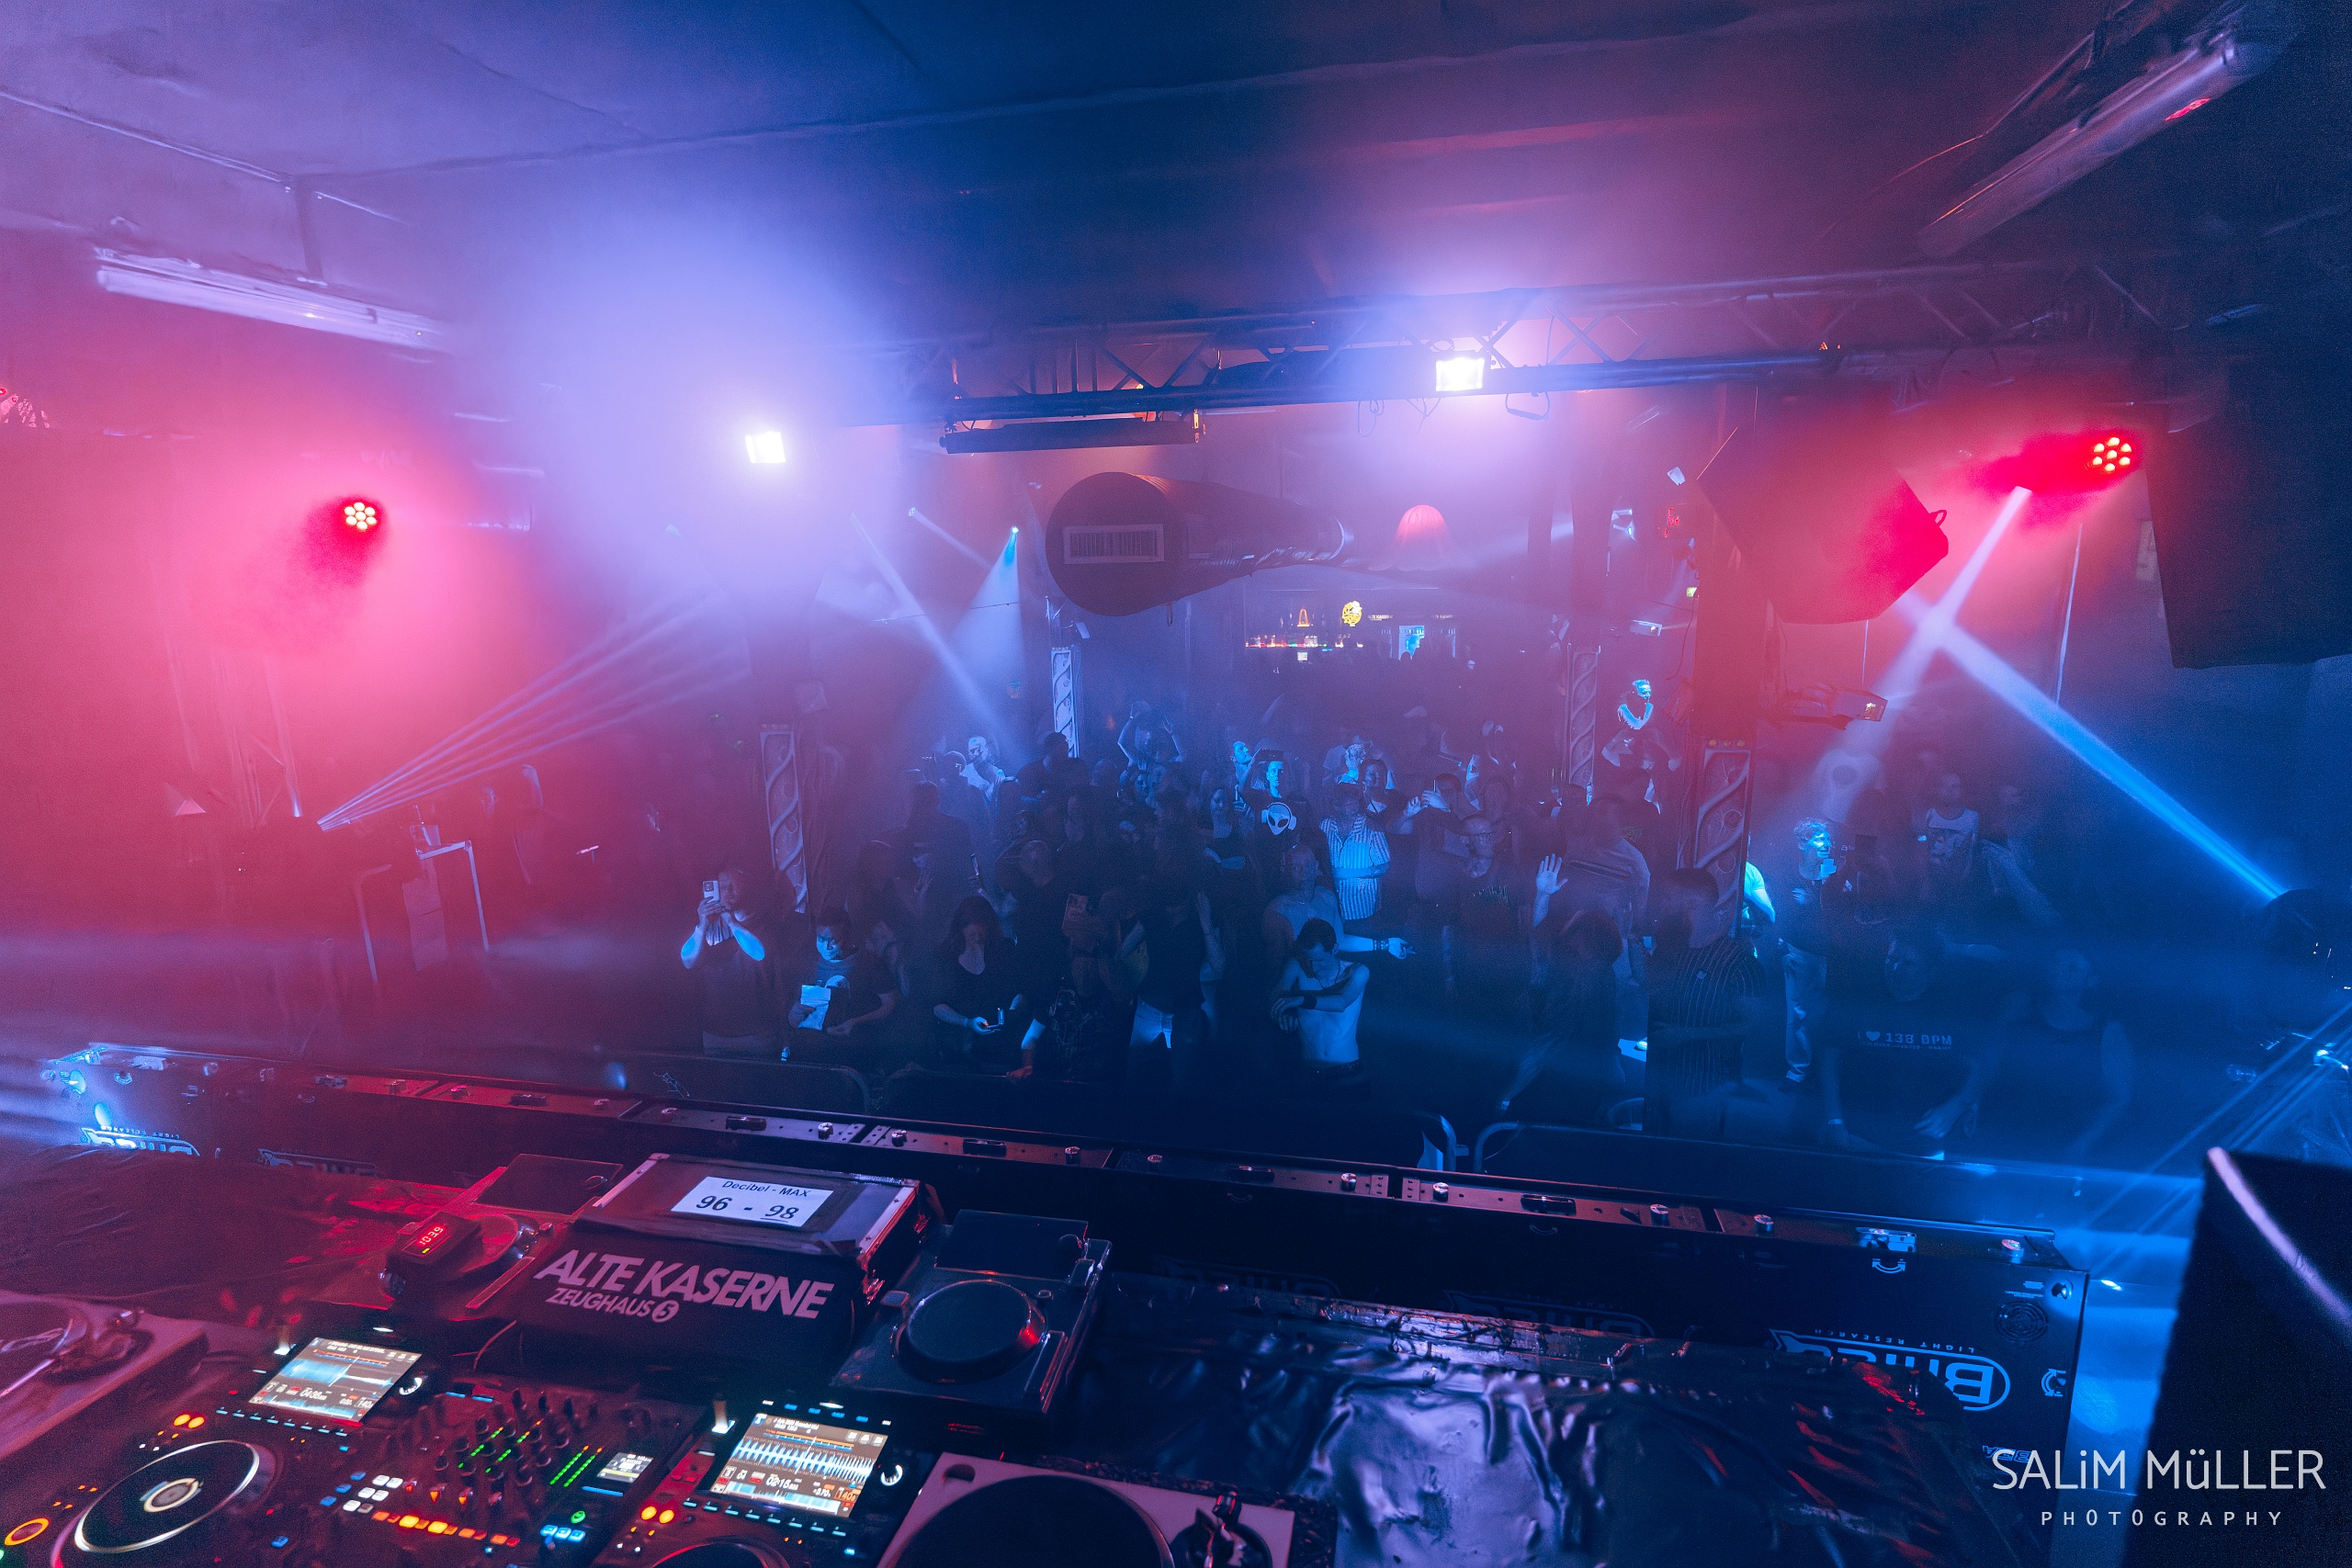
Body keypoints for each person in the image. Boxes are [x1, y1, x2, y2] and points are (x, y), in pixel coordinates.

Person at [1815, 929, 1997, 1159]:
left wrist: (1960, 1104)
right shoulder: (1861, 999)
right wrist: (1834, 1120)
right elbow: (1830, 1053)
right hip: (1858, 1138)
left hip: (1927, 1146)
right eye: (1892, 959)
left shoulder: (1952, 1010)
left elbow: (1983, 1062)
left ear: (1931, 971)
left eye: (1908, 963)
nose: (1895, 969)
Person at [1643, 868, 1769, 1138]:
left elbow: (1754, 1027)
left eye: (1687, 905)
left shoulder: (1741, 965)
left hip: (1705, 1087)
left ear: (1715, 910)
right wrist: (1632, 938)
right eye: (1671, 903)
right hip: (1662, 1080)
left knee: (1692, 1154)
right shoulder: (1676, 952)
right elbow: (1650, 986)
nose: (1677, 912)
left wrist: (1686, 1034)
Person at [1984, 949, 2135, 1161]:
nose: (2060, 969)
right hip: (2002, 1135)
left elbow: (2120, 1098)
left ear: (2092, 980)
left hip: (2067, 1143)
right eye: (2057, 961)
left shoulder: (2107, 1030)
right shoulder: (2019, 1009)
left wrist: (2082, 1143)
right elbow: (1987, 1062)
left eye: (2073, 967)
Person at [1499, 908, 1624, 1122]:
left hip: (1554, 1089)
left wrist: (1506, 1096)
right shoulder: (1605, 974)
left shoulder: (1577, 978)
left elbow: (1549, 1042)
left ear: (1581, 938)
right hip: (1589, 1086)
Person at [679, 868, 782, 1059]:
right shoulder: (708, 925)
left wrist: (731, 921)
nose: (727, 892)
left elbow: (759, 953)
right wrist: (702, 926)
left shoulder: (763, 922)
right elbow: (688, 961)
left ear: (746, 888)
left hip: (757, 1032)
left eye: (733, 886)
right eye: (722, 886)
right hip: (716, 1033)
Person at [1016, 913, 1133, 1081]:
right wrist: (1028, 1067)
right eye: (1080, 968)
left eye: (1090, 968)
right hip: (1059, 1083)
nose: (1084, 974)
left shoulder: (1113, 995)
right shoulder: (1055, 991)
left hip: (1100, 1086)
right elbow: (1031, 1037)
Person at [930, 895, 1026, 1067]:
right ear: (961, 928)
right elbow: (937, 1006)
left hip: (1001, 1047)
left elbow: (1021, 991)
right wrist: (967, 1022)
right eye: (972, 935)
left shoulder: (1004, 950)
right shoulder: (945, 957)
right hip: (959, 1050)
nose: (977, 938)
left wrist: (1012, 1014)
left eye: (981, 933)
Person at [788, 907, 898, 1053]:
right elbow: (795, 1006)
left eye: (833, 940)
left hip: (854, 1049)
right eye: (821, 939)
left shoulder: (868, 962)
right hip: (812, 1049)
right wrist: (793, 1015)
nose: (826, 947)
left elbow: (890, 1004)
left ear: (847, 937)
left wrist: (856, 1022)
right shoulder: (809, 963)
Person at [1272, 919, 1369, 1078]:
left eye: (1319, 960)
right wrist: (1285, 1013)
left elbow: (1341, 1002)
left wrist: (1300, 1000)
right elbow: (1274, 999)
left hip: (1348, 1072)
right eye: (1308, 960)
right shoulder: (1296, 967)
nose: (1313, 967)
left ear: (1334, 949)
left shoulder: (1357, 971)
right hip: (1308, 1073)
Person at [1317, 784, 1392, 924]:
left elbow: (1384, 867)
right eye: (1347, 801)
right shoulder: (1325, 826)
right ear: (1336, 805)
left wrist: (1347, 873)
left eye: (1355, 800)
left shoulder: (1371, 827)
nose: (1353, 804)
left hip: (1361, 907)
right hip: (1331, 907)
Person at [1918, 772, 1981, 905]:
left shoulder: (1972, 818)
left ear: (1962, 790)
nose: (1949, 791)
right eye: (1944, 786)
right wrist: (1922, 838)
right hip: (1932, 886)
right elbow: (1921, 842)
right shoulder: (1929, 814)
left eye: (1955, 786)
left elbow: (1975, 850)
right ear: (1937, 789)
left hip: (1962, 888)